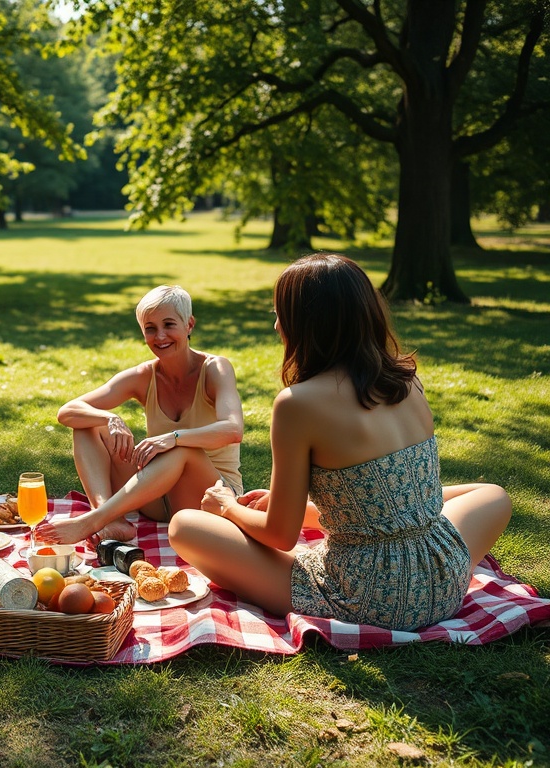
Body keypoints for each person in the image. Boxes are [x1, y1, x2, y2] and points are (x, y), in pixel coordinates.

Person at [169, 253, 512, 631]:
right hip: (443, 577)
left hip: (368, 597)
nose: (277, 326)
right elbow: (396, 484)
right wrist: (301, 505)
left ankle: (318, 526)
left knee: (185, 526)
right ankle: (327, 513)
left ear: (307, 324)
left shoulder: (297, 404)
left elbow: (280, 536)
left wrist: (227, 506)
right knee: (492, 494)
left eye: (280, 314)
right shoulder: (406, 380)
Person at [37, 285, 244, 546]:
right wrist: (108, 418)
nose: (160, 336)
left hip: (211, 497)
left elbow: (233, 430)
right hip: (157, 498)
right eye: (150, 328)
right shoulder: (144, 376)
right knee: (87, 425)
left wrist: (174, 437)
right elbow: (67, 411)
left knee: (182, 450)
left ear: (189, 324)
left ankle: (93, 521)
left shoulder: (216, 368)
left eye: (169, 324)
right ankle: (109, 519)